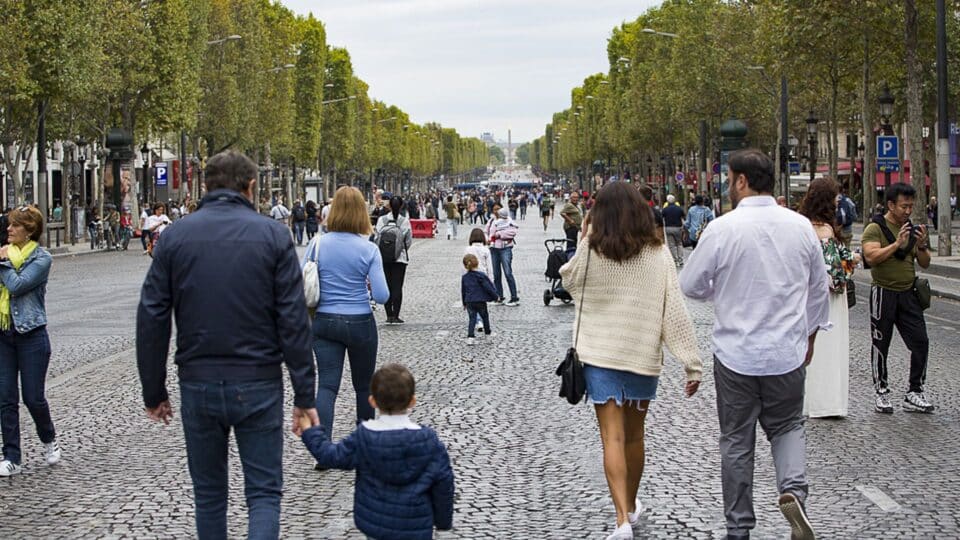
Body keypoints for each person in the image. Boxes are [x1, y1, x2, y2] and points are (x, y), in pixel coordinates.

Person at [136, 151, 318, 538]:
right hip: (258, 380)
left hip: (198, 379)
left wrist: (154, 390)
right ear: (251, 187)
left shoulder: (174, 236)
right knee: (264, 493)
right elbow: (293, 319)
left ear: (206, 186)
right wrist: (305, 394)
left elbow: (151, 316)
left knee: (208, 494)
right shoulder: (273, 235)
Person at [679, 149, 829, 540]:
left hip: (736, 356)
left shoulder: (722, 228)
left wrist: (721, 289)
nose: (728, 186)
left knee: (736, 441)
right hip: (786, 353)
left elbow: (690, 284)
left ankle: (739, 526)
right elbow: (818, 292)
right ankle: (793, 490)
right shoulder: (800, 227)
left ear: (742, 181)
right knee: (788, 427)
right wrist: (809, 336)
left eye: (730, 179)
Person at [559, 182, 702, 540]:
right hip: (641, 354)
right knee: (635, 438)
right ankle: (633, 504)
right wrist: (691, 361)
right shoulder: (657, 254)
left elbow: (569, 281)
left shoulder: (592, 250)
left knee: (612, 439)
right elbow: (675, 311)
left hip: (599, 354)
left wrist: (584, 235)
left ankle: (621, 517)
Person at [301, 364, 454, 540]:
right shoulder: (429, 440)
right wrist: (443, 521)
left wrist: (310, 431)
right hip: (417, 525)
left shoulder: (364, 437)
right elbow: (444, 483)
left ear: (372, 401)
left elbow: (330, 456)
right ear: (413, 401)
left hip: (376, 524)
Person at [303, 186, 389, 449]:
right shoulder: (369, 249)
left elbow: (303, 280)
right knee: (363, 386)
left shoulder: (316, 244)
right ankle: (364, 442)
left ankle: (322, 445)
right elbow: (383, 295)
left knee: (327, 386)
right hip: (360, 320)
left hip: (325, 320)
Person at [861, 182, 934, 414]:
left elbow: (925, 263)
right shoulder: (875, 228)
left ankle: (914, 391)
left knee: (921, 341)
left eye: (911, 206)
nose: (908, 211)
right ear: (890, 205)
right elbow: (871, 257)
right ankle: (881, 391)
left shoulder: (912, 228)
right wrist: (896, 244)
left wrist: (921, 246)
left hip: (908, 294)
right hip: (883, 293)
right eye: (904, 206)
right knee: (881, 343)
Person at [0, 207, 60, 477]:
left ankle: (49, 438)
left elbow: (17, 285)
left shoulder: (41, 258)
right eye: (9, 226)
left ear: (30, 230)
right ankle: (12, 456)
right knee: (5, 398)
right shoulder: (4, 253)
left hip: (32, 335)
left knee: (33, 398)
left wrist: (2, 263)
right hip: (4, 333)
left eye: (15, 226)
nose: (9, 230)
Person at [798, 178, 857, 418]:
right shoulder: (826, 229)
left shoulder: (801, 225)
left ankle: (809, 401)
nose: (838, 200)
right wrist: (850, 261)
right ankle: (827, 402)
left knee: (812, 347)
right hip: (829, 295)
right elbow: (836, 264)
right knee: (829, 347)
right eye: (835, 197)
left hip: (805, 293)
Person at [375, 196, 413, 325]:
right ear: (402, 206)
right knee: (397, 286)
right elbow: (408, 241)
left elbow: (376, 237)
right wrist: (399, 250)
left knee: (387, 285)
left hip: (383, 258)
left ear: (389, 206)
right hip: (400, 259)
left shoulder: (382, 220)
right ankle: (396, 315)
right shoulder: (404, 221)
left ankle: (388, 314)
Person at [461, 254, 498, 346]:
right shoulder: (481, 275)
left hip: (470, 301)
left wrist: (464, 302)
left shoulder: (465, 277)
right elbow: (488, 287)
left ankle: (470, 337)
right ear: (477, 263)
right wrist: (495, 296)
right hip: (480, 300)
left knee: (472, 319)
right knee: (485, 317)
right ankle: (488, 335)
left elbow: (463, 291)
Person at [486, 208, 519, 306]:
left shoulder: (509, 221)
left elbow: (513, 232)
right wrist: (488, 238)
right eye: (495, 210)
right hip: (494, 249)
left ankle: (514, 297)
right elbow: (487, 232)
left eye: (498, 210)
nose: (496, 212)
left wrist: (499, 234)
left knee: (508, 273)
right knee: (496, 274)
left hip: (505, 248)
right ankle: (499, 296)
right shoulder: (492, 221)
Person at [661, 194, 685, 266]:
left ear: (667, 201)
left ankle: (675, 260)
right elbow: (683, 217)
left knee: (671, 245)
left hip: (668, 228)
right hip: (678, 227)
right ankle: (680, 259)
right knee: (679, 244)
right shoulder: (679, 208)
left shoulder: (665, 209)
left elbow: (662, 218)